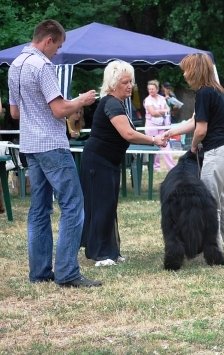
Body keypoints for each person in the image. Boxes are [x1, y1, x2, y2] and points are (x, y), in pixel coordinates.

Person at [7, 19, 101, 287]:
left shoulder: (15, 66)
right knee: (73, 206)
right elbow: (60, 110)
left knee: (39, 210)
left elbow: (14, 113)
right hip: (51, 143)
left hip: (30, 145)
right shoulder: (43, 66)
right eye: (57, 46)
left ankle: (39, 272)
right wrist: (81, 100)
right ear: (48, 40)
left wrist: (36, 115)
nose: (57, 52)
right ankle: (68, 272)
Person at [80, 60, 168, 266]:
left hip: (108, 161)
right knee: (101, 206)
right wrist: (154, 140)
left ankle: (110, 250)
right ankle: (100, 254)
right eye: (124, 82)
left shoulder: (118, 103)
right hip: (98, 161)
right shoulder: (111, 103)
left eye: (131, 82)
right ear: (112, 83)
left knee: (109, 205)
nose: (129, 86)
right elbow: (128, 133)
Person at [163, 53, 224, 256]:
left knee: (210, 205)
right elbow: (195, 121)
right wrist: (172, 131)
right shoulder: (215, 91)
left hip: (218, 152)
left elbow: (200, 130)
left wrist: (192, 146)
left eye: (185, 70)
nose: (183, 74)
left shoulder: (203, 93)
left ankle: (212, 250)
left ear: (194, 71)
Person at [144, 80, 177, 171]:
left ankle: (172, 167)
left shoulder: (162, 98)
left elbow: (168, 109)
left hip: (162, 125)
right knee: (155, 147)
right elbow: (153, 113)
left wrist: (160, 111)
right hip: (151, 126)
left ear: (157, 89)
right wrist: (162, 111)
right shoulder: (147, 100)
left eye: (152, 89)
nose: (151, 91)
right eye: (149, 89)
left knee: (165, 145)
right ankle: (155, 167)